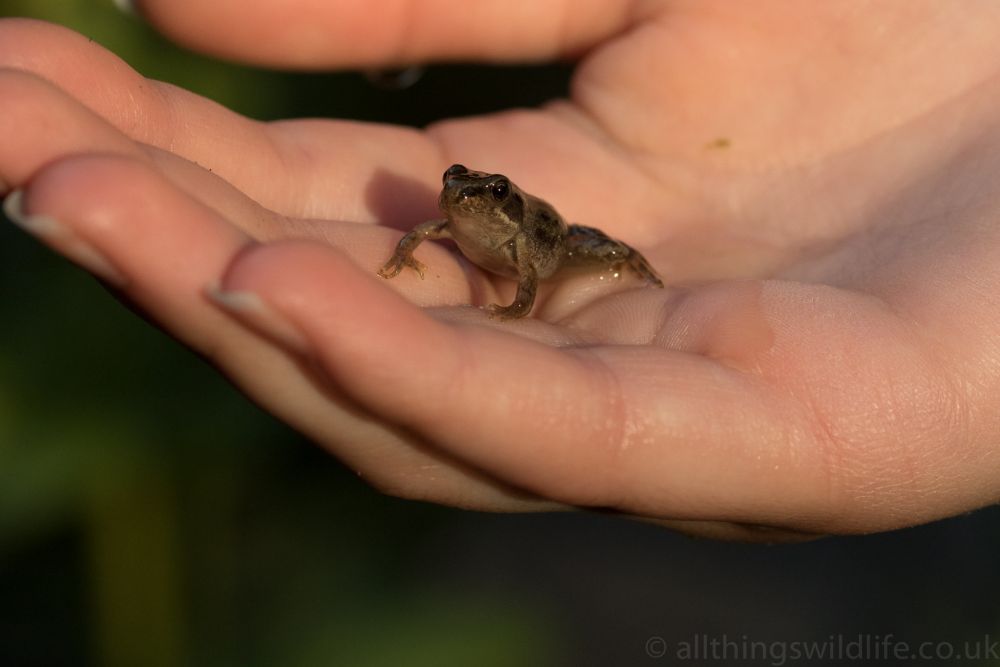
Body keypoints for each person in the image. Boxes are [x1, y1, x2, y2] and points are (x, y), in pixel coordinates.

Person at [3, 1, 999, 540]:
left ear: (497, 201)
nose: (460, 205)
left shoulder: (514, 229)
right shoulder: (444, 220)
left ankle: (644, 272)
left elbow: (525, 272)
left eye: (474, 195)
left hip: (559, 236)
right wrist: (400, 255)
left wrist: (527, 311)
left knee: (603, 252)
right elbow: (421, 239)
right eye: (456, 193)